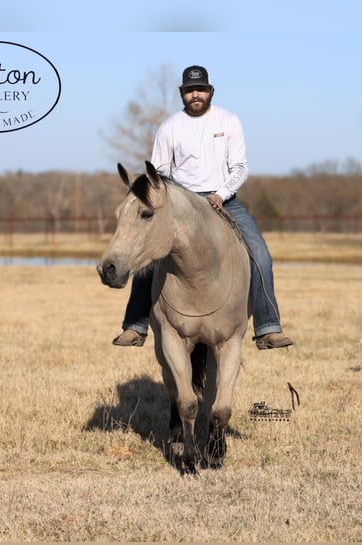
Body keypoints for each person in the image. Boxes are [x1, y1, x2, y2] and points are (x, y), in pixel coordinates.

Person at [112, 65, 294, 351]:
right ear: (182, 94)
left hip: (223, 199)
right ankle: (135, 326)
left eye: (200, 89)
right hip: (181, 202)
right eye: (189, 90)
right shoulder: (169, 127)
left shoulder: (228, 120)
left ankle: (267, 327)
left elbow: (240, 167)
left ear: (210, 91)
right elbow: (159, 174)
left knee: (260, 254)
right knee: (149, 254)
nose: (195, 95)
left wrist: (221, 194)